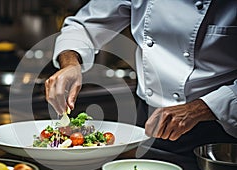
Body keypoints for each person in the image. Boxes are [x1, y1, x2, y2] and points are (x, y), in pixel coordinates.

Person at [45, 0, 237, 156]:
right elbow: (84, 26)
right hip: (147, 122)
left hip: (219, 131)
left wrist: (202, 108)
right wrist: (71, 63)